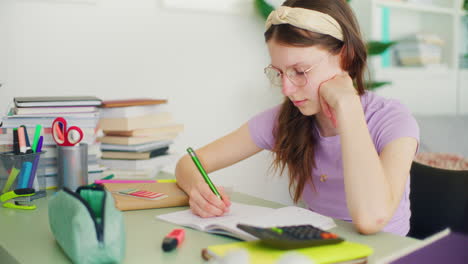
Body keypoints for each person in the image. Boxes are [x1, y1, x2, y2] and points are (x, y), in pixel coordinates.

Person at [175, 0, 419, 236]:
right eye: (279, 73)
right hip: (319, 247)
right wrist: (198, 189)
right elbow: (190, 162)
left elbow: (371, 220)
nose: (287, 89)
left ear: (345, 56)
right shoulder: (286, 120)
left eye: (300, 72)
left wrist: (348, 107)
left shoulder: (393, 120)